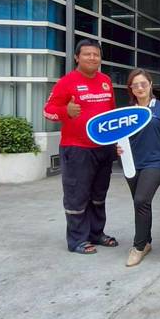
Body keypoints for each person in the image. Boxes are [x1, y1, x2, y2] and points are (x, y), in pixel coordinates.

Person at [43, 39, 118, 255]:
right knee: (77, 195)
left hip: (103, 148)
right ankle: (77, 240)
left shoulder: (106, 81)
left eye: (96, 54)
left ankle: (96, 233)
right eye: (87, 54)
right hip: (77, 148)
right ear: (77, 57)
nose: (92, 58)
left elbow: (112, 114)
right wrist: (66, 111)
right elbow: (47, 110)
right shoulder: (67, 82)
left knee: (98, 195)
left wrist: (115, 143)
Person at [121, 69, 160, 267]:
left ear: (150, 84)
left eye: (143, 84)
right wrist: (118, 147)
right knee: (140, 204)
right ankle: (146, 242)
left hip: (154, 162)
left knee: (141, 200)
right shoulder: (127, 110)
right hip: (131, 163)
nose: (140, 88)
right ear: (131, 89)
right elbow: (120, 136)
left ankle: (138, 248)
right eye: (135, 85)